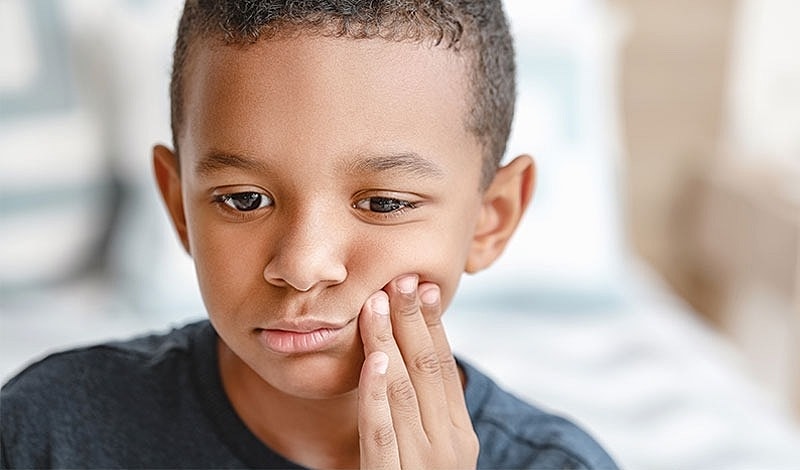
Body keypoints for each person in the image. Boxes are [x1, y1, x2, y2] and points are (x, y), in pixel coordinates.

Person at [1, 1, 618, 468]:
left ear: (493, 217)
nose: (302, 265)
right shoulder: (47, 431)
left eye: (382, 202)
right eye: (245, 199)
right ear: (179, 205)